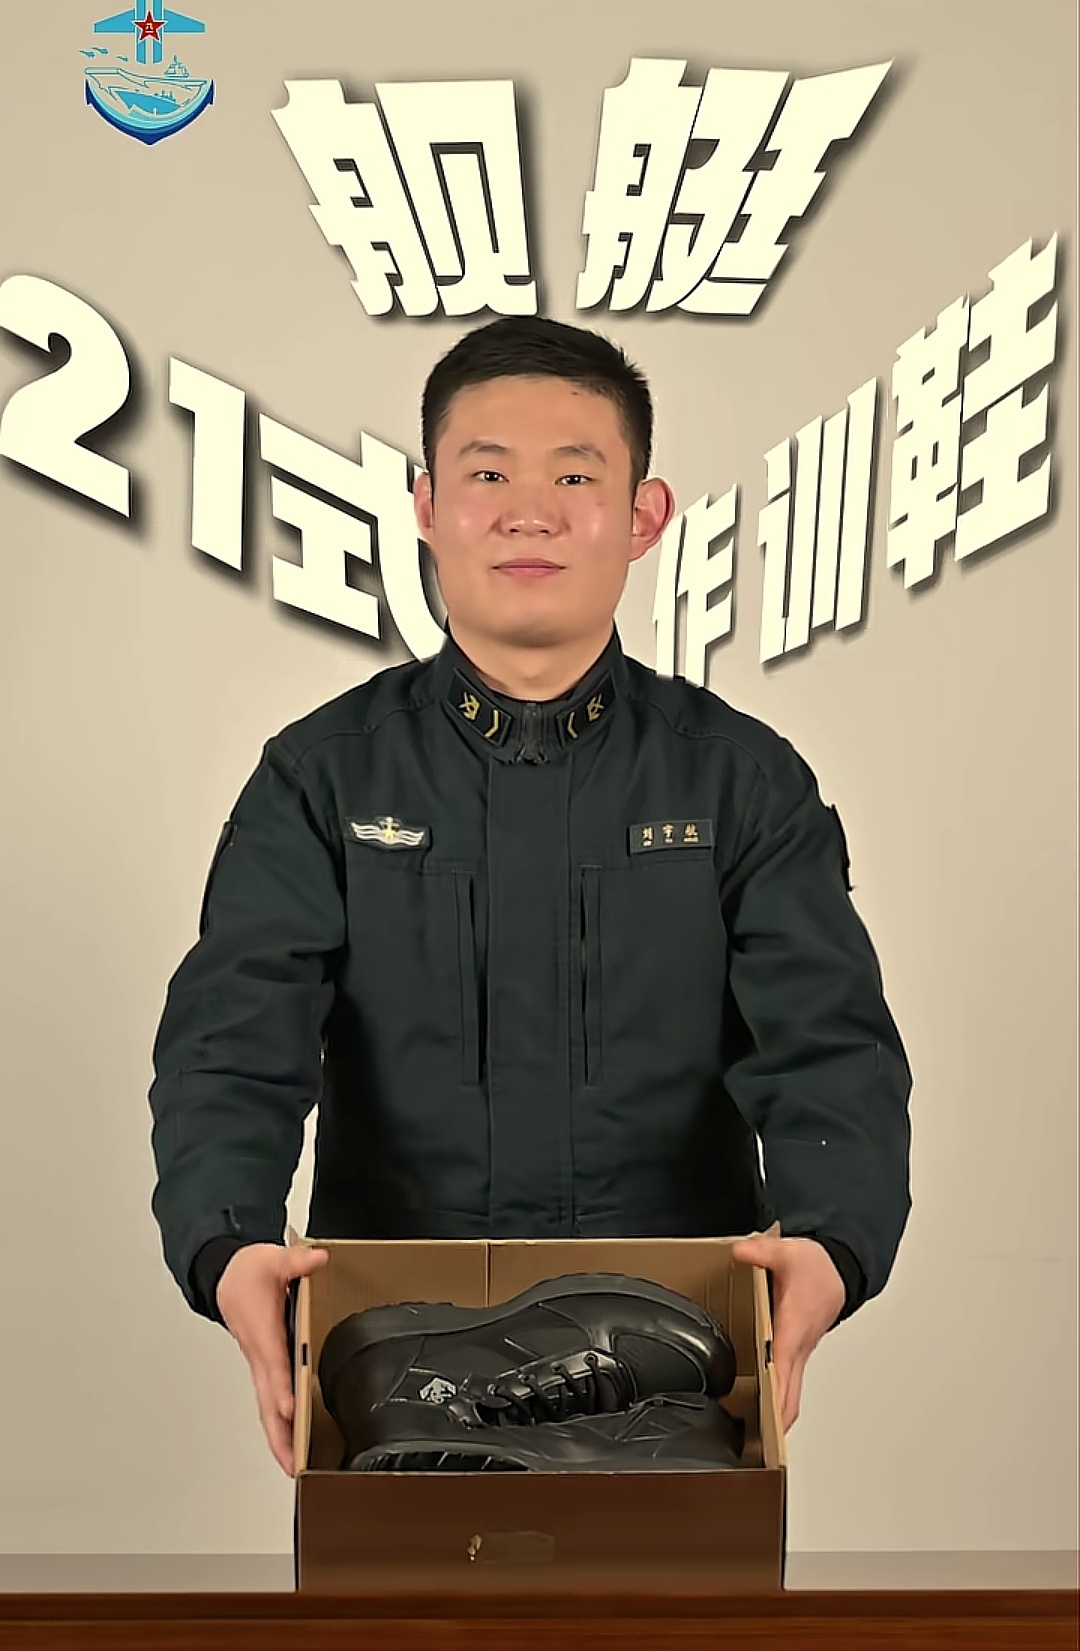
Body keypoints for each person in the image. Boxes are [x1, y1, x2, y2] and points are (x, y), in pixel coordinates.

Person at [149, 315, 912, 1476]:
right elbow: (232, 1040)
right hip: (396, 1348)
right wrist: (230, 1243)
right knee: (407, 1596)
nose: (529, 513)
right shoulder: (324, 779)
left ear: (643, 516)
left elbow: (829, 1049)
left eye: (574, 475)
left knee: (672, 1598)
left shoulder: (739, 783)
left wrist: (829, 1244)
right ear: (425, 505)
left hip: (674, 1348)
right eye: (488, 474)